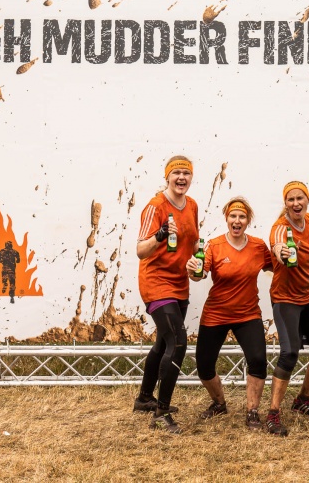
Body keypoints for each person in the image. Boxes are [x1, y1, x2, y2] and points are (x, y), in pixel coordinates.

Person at [186, 197, 273, 431]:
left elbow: (278, 266)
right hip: (216, 313)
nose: (237, 220)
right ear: (226, 219)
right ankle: (219, 403)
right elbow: (200, 274)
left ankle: (252, 411)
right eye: (233, 216)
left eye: (242, 217)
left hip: (248, 314)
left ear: (247, 221)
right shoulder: (214, 245)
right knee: (204, 365)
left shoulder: (258, 246)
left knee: (258, 361)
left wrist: (305, 263)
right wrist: (192, 271)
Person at [134, 156, 199, 434]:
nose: (181, 178)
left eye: (186, 173)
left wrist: (197, 264)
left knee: (163, 343)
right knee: (178, 342)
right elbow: (140, 250)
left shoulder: (192, 205)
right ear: (167, 177)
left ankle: (144, 399)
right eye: (177, 173)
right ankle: (161, 413)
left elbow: (194, 244)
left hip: (179, 283)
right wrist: (160, 234)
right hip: (156, 282)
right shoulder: (156, 206)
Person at [265, 181, 309, 436]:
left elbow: (307, 252)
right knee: (289, 353)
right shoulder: (280, 229)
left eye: (299, 198)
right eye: (290, 199)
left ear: (307, 200)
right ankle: (273, 413)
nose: (295, 203)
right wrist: (280, 251)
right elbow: (278, 245)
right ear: (285, 203)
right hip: (286, 299)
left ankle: (302, 399)